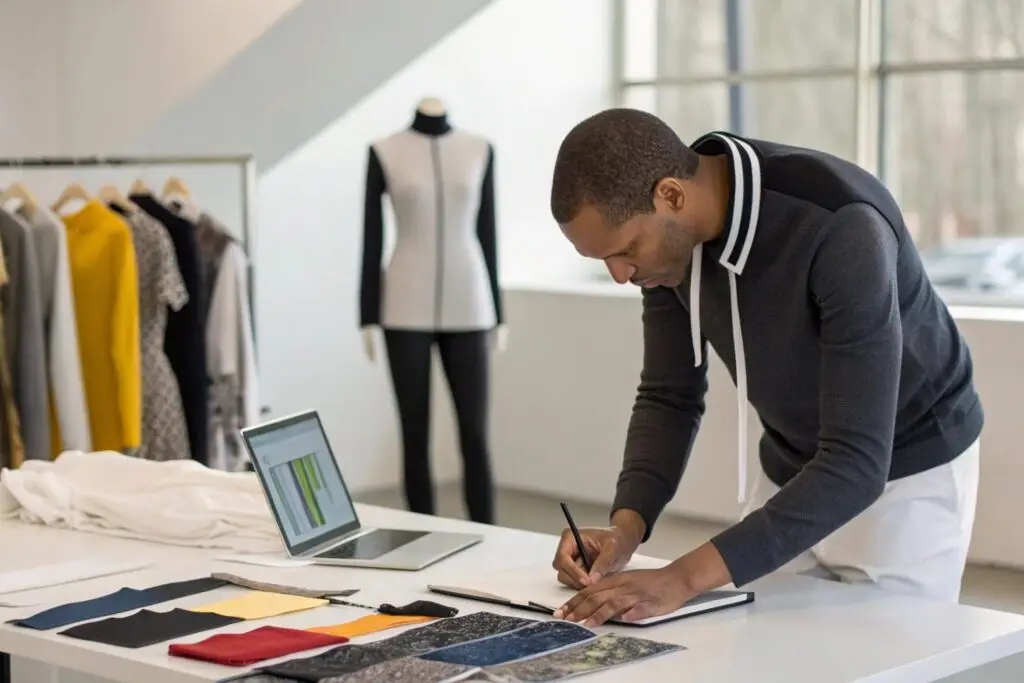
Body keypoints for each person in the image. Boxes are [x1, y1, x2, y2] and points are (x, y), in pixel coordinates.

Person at [547, 108, 983, 627]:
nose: (619, 274)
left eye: (624, 251)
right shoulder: (667, 250)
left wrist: (681, 577)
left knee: (883, 653)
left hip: (906, 471)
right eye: (603, 261)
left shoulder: (842, 225)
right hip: (793, 462)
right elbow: (670, 394)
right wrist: (626, 530)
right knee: (761, 652)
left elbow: (858, 462)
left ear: (671, 196)